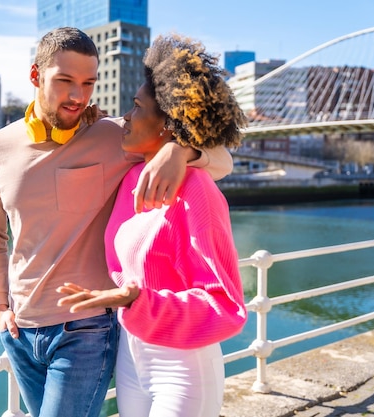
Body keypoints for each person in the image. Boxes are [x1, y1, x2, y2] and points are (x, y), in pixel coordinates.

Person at [0, 27, 233, 417]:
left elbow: (223, 160)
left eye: (88, 83)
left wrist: (179, 150)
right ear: (35, 76)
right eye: (65, 82)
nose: (78, 96)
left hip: (86, 329)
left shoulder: (116, 135)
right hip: (19, 330)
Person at [57, 33, 248, 417]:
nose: (125, 117)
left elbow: (226, 303)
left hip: (183, 364)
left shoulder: (197, 191)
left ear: (168, 124)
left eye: (137, 107)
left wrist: (137, 300)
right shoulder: (132, 176)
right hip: (131, 356)